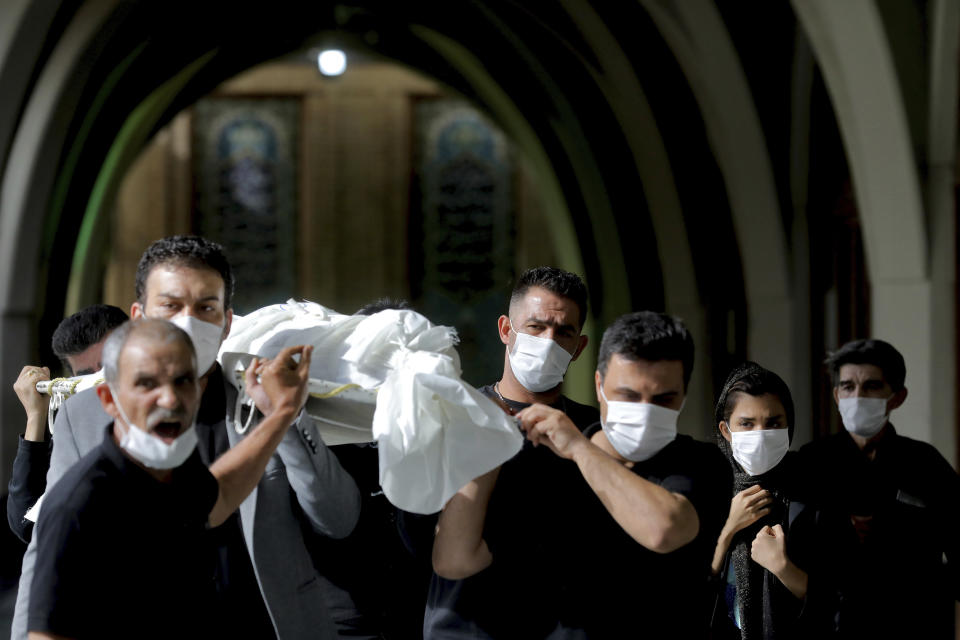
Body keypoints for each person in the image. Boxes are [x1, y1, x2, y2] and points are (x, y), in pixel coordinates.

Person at [12, 236, 361, 640]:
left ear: (227, 322)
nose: (188, 322)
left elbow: (214, 499)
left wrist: (285, 414)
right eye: (172, 306)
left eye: (205, 307)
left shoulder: (256, 399)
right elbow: (47, 573)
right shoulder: (85, 491)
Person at [433, 310, 731, 638]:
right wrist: (487, 448)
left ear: (684, 394)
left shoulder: (701, 464)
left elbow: (664, 530)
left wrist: (579, 449)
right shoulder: (542, 463)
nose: (644, 410)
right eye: (628, 395)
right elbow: (456, 560)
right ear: (599, 385)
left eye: (663, 399)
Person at [27, 319, 313, 639]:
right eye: (147, 384)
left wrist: (283, 412)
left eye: (182, 382)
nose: (170, 400)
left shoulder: (169, 470)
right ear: (109, 399)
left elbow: (221, 493)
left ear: (200, 390)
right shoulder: (80, 506)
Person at [424, 266, 598, 638]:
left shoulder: (593, 435)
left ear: (579, 348)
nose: (549, 341)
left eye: (564, 331)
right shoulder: (455, 417)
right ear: (506, 330)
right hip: (465, 627)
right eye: (536, 327)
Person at [798, 339, 960, 638]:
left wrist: (929, 590)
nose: (857, 396)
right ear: (836, 395)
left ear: (897, 397)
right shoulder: (811, 462)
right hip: (831, 626)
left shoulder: (925, 463)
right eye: (848, 386)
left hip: (912, 624)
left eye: (872, 386)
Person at [710, 362, 835, 639]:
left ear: (788, 426)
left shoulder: (815, 495)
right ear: (725, 429)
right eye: (746, 423)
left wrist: (783, 568)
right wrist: (728, 528)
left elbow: (840, 603)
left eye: (773, 423)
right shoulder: (709, 492)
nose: (760, 434)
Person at [8, 304, 128, 543]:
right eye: (87, 375)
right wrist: (36, 416)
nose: (101, 382)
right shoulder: (77, 424)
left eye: (109, 367)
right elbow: (27, 524)